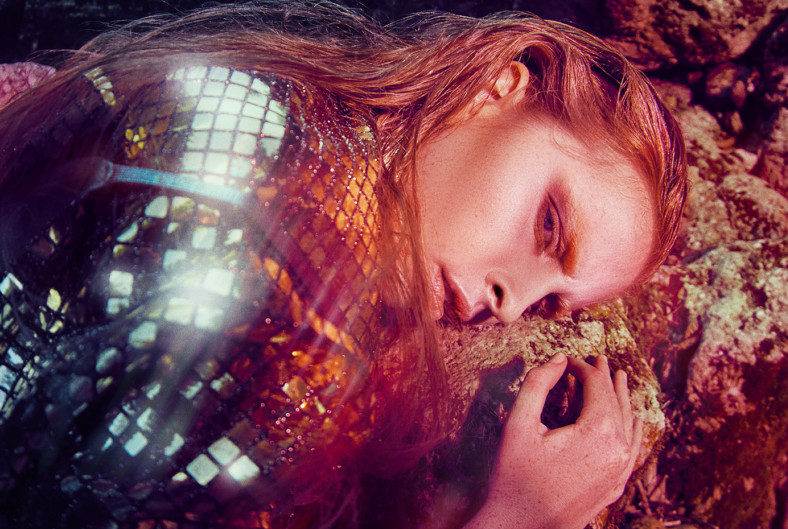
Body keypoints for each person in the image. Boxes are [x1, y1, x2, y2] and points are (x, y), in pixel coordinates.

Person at [0, 2, 686, 529]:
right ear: (495, 87)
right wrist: (516, 517)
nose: (510, 303)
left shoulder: (268, 97)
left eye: (549, 303)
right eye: (549, 223)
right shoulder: (297, 318)